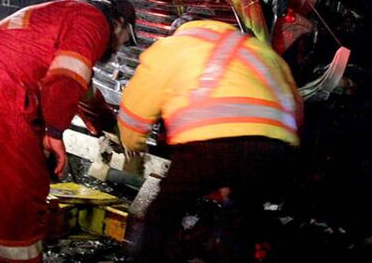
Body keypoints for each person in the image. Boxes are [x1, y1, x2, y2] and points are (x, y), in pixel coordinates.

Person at [0, 0, 136, 263]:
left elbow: (85, 91)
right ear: (118, 24)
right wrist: (55, 132)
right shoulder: (94, 22)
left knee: (12, 189)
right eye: (125, 40)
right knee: (20, 199)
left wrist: (107, 127)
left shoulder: (68, 14)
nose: (118, 48)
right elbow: (67, 77)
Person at [119, 17, 303, 262]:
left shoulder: (174, 46)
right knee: (241, 218)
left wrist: (133, 147)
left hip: (207, 146)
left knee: (164, 212)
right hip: (272, 149)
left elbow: (135, 109)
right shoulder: (257, 49)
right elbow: (295, 105)